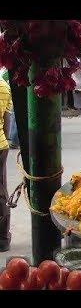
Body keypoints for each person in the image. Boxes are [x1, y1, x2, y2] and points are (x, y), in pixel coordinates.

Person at [0, 76, 12, 251]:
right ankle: (2, 238)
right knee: (1, 191)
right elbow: (7, 120)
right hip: (1, 145)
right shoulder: (4, 86)